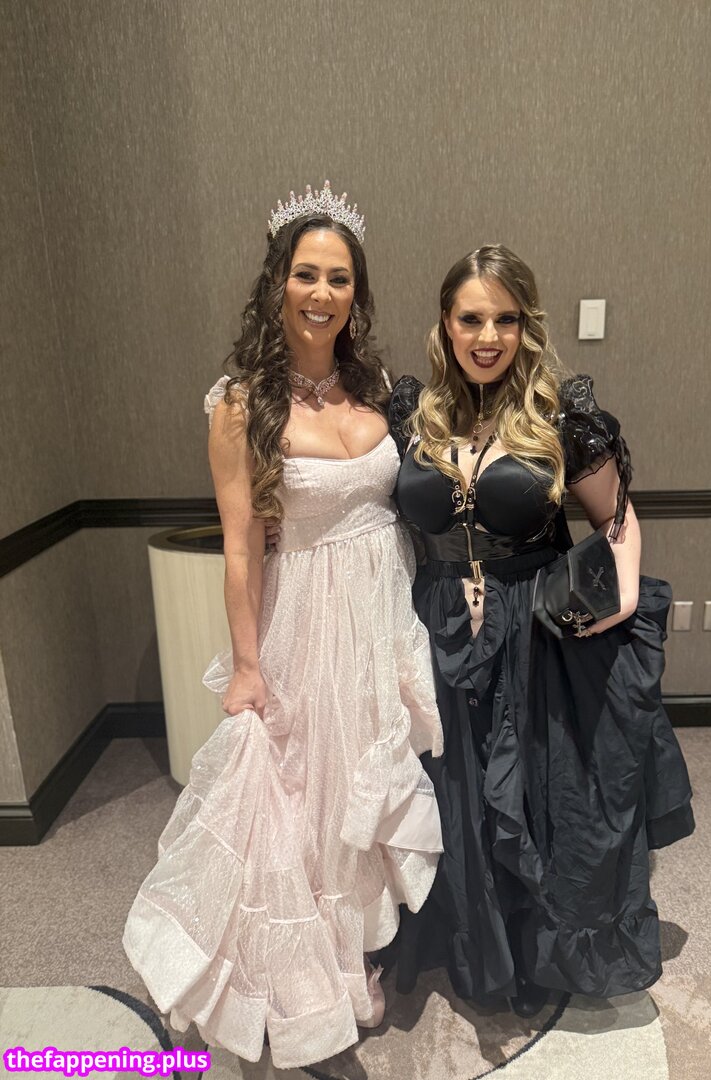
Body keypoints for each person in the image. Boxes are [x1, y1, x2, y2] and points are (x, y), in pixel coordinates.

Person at [123, 182, 443, 1068]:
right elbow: (240, 548)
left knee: (356, 794)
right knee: (298, 803)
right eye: (306, 273)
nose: (322, 292)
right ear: (277, 283)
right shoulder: (241, 404)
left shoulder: (377, 387)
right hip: (301, 616)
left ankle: (350, 961)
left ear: (356, 292)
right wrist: (247, 665)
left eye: (339, 277)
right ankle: (304, 987)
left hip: (379, 616)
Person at [386, 244, 694, 1016]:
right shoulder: (411, 415)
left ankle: (530, 956)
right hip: (434, 625)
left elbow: (617, 522)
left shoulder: (562, 416)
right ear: (445, 324)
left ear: (526, 324)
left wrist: (617, 603)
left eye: (506, 319)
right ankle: (469, 945)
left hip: (532, 633)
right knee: (452, 790)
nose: (488, 336)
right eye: (471, 319)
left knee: (531, 794)